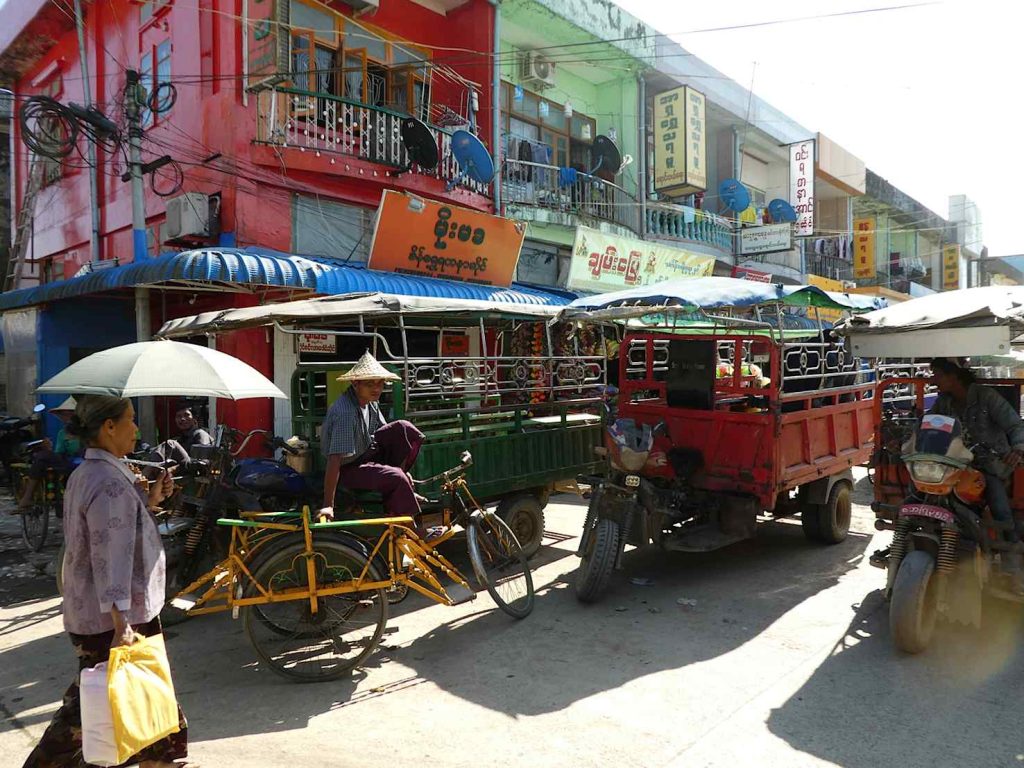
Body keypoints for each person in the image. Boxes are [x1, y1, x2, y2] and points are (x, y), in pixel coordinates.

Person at [22, 395, 194, 768]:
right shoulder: (109, 483)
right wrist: (122, 623)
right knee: (92, 713)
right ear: (108, 427)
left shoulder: (93, 473)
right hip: (116, 618)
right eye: (130, 419)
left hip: (107, 612)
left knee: (145, 703)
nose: (137, 428)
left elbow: (113, 532)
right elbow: (109, 556)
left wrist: (149, 498)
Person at [929, 357, 1024, 588]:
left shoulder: (985, 396)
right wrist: (905, 439)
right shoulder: (944, 402)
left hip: (988, 464)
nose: (933, 380)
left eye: (938, 374)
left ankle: (1012, 565)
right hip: (953, 465)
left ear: (953, 376)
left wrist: (1019, 448)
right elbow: (927, 424)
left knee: (1000, 508)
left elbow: (1015, 425)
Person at [319, 351, 425, 521]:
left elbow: (385, 435)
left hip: (366, 455)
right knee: (396, 478)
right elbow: (335, 460)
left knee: (403, 428)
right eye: (369, 384)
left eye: (380, 384)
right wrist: (328, 505)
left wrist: (403, 471)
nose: (376, 389)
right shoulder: (346, 412)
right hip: (347, 469)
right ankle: (409, 526)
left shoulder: (371, 404)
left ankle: (404, 490)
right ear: (355, 383)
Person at [17, 397, 83, 510]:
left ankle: (27, 496)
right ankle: (28, 496)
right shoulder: (63, 433)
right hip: (70, 464)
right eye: (64, 415)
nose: (66, 418)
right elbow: (59, 452)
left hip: (85, 463)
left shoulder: (87, 430)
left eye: (69, 414)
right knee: (42, 455)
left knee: (43, 456)